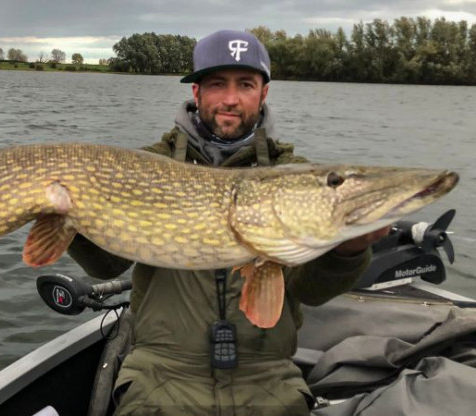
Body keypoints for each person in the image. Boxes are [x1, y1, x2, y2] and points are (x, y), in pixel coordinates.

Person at [68, 30, 389, 416]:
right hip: (160, 376)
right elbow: (108, 265)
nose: (231, 99)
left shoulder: (296, 175)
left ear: (263, 93)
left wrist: (348, 251)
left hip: (268, 380)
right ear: (197, 92)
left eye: (246, 84)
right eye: (218, 84)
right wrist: (69, 220)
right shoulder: (147, 167)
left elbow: (310, 290)